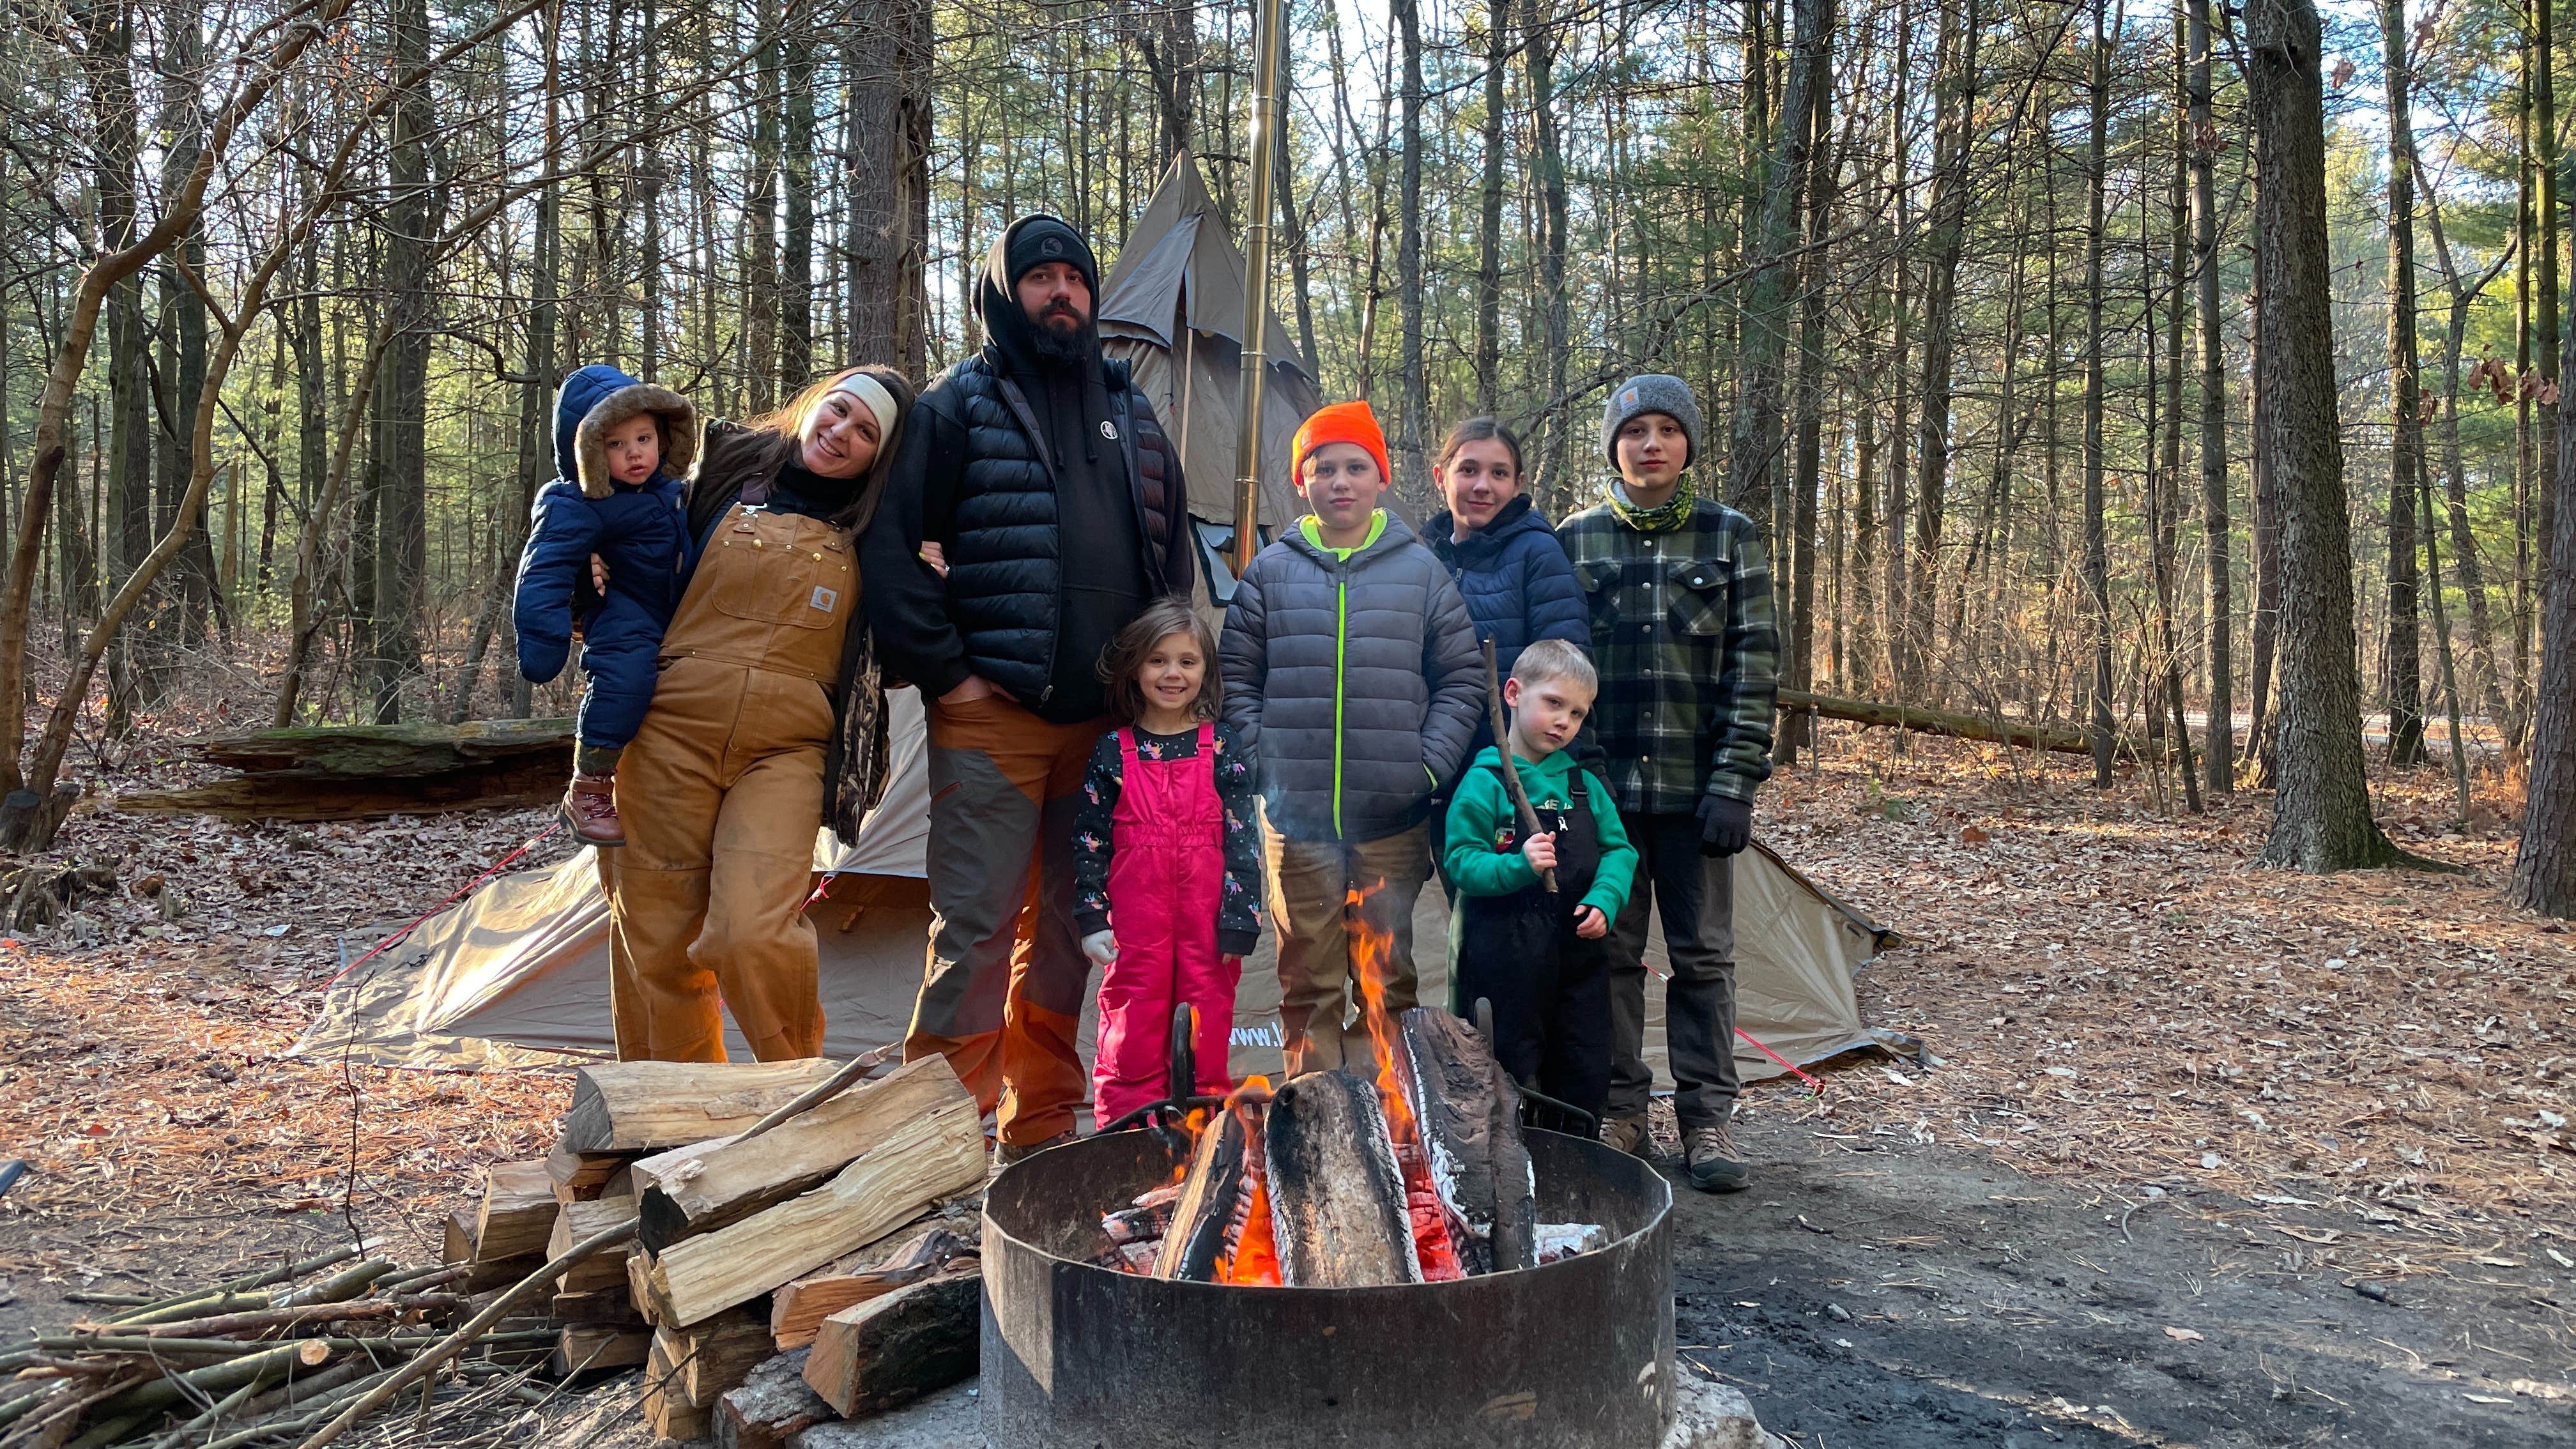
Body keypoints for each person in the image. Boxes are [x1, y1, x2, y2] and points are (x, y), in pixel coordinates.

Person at [864, 213, 1192, 1160]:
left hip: (1103, 728)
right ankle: (933, 1144)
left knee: (1065, 934)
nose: (1062, 294)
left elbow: (1171, 558)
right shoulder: (955, 405)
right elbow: (892, 553)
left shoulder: (1129, 411)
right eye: (1041, 278)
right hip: (996, 721)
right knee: (973, 929)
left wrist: (1161, 686)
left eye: (1075, 280)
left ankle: (1038, 1125)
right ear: (1007, 294)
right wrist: (952, 674)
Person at [597, 364, 914, 1062]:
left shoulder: (884, 525)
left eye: (865, 433)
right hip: (666, 732)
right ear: (813, 403)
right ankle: (670, 1128)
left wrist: (934, 584)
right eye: (838, 412)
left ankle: (797, 1097)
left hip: (790, 753)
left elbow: (902, 656)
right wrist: (590, 566)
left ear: (879, 454)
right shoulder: (719, 472)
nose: (841, 435)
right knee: (657, 939)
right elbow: (632, 540)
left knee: (749, 930)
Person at [1559, 374, 1776, 1192]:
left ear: (1687, 446)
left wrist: (1737, 781)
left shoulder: (1731, 536)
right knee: (1609, 952)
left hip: (1697, 793)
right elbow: (1553, 672)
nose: (1651, 444)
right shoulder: (1575, 539)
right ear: (1614, 446)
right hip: (1604, 795)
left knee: (1704, 960)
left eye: (1667, 431)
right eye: (1635, 430)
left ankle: (1707, 1118)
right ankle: (1622, 1107)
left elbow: (1754, 668)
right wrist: (1571, 788)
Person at [1219, 400, 1482, 1077]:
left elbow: (1459, 679)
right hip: (1296, 820)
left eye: (1356, 467)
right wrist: (1264, 764)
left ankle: (1392, 1120)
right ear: (1301, 482)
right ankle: (1317, 1112)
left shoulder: (1421, 572)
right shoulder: (1270, 573)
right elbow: (1236, 682)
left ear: (1380, 479)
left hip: (1390, 817)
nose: (1340, 481)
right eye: (1324, 467)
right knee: (1306, 977)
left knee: (1387, 977)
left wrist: (1424, 770)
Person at [1071, 599, 1263, 1124]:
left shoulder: (1222, 745)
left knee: (1207, 1028)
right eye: (1158, 661)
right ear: (1135, 668)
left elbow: (1244, 839)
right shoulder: (1113, 750)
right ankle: (1126, 1140)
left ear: (1206, 670)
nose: (1173, 674)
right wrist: (1091, 919)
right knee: (1131, 1029)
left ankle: (1202, 1141)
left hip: (1208, 928)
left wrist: (1241, 916)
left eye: (1187, 661)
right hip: (1135, 928)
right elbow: (1090, 841)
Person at [1443, 640, 1637, 1129]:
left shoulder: (1584, 786)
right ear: (1512, 692)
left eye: (1577, 713)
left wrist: (1604, 900)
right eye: (1554, 703)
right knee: (1509, 1067)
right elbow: (1462, 862)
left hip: (1578, 959)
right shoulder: (1485, 781)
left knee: (1583, 1060)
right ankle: (1510, 1162)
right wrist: (1517, 868)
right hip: (1505, 959)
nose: (1564, 722)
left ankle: (1577, 1157)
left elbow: (1619, 850)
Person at [512, 365, 699, 847]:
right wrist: (544, 641)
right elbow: (544, 569)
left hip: (684, 609)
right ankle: (590, 785)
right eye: (615, 444)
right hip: (624, 610)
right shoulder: (573, 503)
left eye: (644, 437)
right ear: (589, 451)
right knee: (625, 675)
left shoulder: (677, 491)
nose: (635, 453)